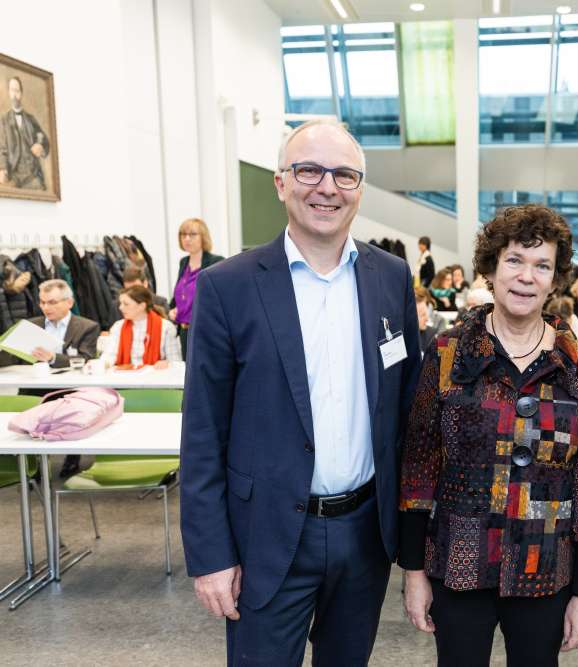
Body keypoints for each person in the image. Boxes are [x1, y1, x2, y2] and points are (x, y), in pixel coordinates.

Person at [180, 118, 421, 666]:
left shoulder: (391, 278)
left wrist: (410, 544)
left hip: (365, 535)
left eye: (344, 174)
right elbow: (202, 432)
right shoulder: (228, 286)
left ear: (359, 189)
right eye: (309, 170)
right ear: (280, 183)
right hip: (265, 536)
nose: (327, 187)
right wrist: (210, 555)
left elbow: (405, 414)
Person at [399, 204, 578, 667]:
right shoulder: (448, 352)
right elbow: (419, 465)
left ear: (555, 280)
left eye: (542, 266)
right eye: (514, 260)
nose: (526, 276)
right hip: (460, 560)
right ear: (491, 268)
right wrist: (412, 569)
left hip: (545, 564)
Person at [0, 279, 100, 480]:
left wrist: (53, 358)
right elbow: (11, 358)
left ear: (69, 302)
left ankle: (72, 457)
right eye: (42, 302)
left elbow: (85, 357)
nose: (46, 307)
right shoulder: (30, 326)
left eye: (52, 302)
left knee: (70, 407)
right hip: (35, 386)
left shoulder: (87, 327)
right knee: (29, 408)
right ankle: (34, 462)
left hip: (70, 387)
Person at [169, 217, 225, 359]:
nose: (187, 239)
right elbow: (180, 295)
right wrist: (173, 310)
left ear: (203, 237)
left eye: (192, 234)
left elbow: (221, 299)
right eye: (183, 234)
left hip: (205, 332)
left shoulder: (215, 262)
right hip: (184, 332)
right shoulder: (184, 263)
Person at [101, 285, 181, 370]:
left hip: (155, 379)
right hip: (125, 379)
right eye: (121, 303)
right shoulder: (118, 327)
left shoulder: (166, 327)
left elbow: (176, 362)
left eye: (126, 304)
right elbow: (109, 355)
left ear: (142, 306)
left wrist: (167, 364)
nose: (120, 308)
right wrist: (101, 364)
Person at [0, 76, 49, 190]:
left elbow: (45, 141)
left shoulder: (31, 119)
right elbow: (1, 149)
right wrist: (2, 168)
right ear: (8, 92)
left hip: (33, 176)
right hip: (13, 176)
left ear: (21, 93)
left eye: (17, 91)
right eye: (12, 90)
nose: (15, 95)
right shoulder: (3, 120)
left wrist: (40, 146)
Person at [414, 285, 445, 353]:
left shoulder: (434, 332)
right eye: (422, 315)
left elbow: (445, 357)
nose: (427, 318)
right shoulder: (401, 339)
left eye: (427, 303)